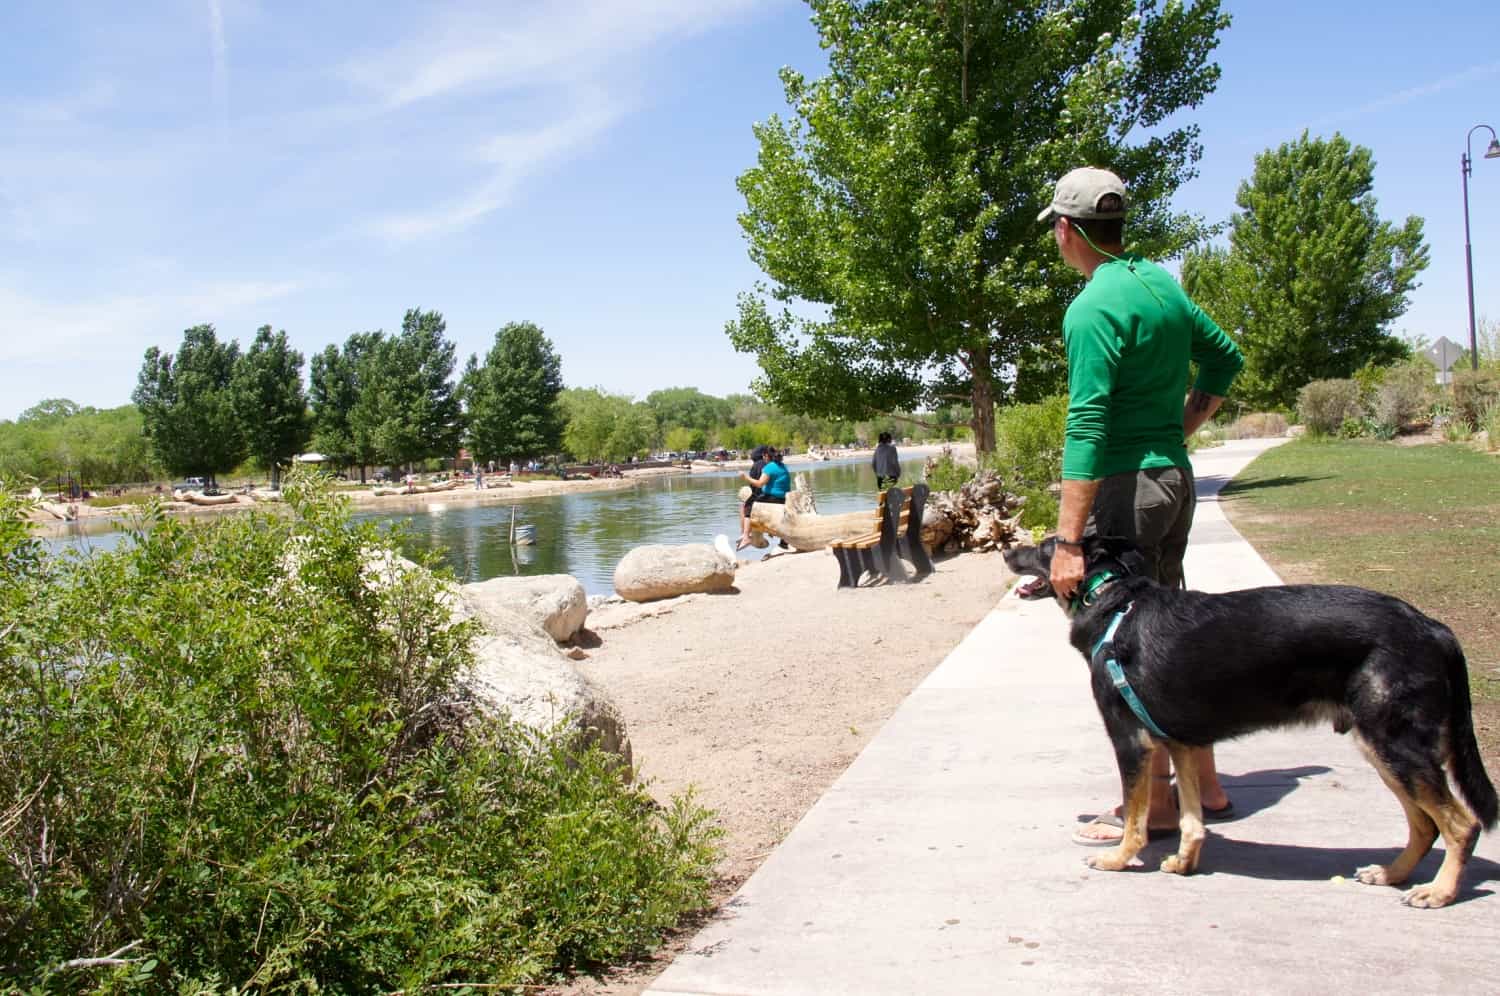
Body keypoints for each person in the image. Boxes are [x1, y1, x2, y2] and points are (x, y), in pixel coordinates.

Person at [1038, 166, 1245, 847]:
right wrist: (1178, 433)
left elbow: (1087, 423)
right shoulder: (1162, 284)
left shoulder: (1092, 308)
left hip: (1130, 489)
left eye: (1055, 232)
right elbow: (1224, 359)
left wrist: (1068, 542)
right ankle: (1205, 787)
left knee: (1130, 651)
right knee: (1174, 633)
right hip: (1173, 483)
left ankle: (1154, 809)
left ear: (1068, 231)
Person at [737, 446, 791, 550]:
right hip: (784, 498)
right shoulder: (782, 465)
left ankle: (746, 537)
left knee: (748, 506)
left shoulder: (770, 467)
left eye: (764, 456)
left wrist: (745, 477)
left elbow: (760, 484)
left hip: (773, 498)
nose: (763, 459)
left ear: (766, 455)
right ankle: (784, 542)